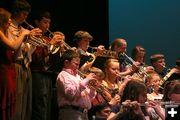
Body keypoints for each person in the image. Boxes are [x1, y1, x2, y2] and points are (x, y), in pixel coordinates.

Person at [7, 1, 42, 120]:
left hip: (26, 67)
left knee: (26, 103)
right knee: (17, 102)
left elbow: (26, 52)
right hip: (15, 66)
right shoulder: (9, 27)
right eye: (24, 14)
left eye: (27, 15)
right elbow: (14, 50)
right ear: (16, 12)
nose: (26, 17)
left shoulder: (23, 29)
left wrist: (32, 43)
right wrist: (25, 36)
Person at [0, 7, 30, 120]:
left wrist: (26, 40)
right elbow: (12, 46)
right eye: (7, 19)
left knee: (13, 100)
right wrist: (23, 34)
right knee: (5, 99)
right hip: (4, 71)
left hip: (10, 69)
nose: (9, 21)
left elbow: (15, 49)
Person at [56, 49, 97, 120]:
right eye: (76, 64)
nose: (78, 67)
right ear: (66, 63)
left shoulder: (78, 77)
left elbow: (86, 97)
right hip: (71, 112)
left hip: (83, 113)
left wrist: (92, 89)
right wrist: (86, 80)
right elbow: (70, 94)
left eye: (79, 64)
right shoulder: (63, 75)